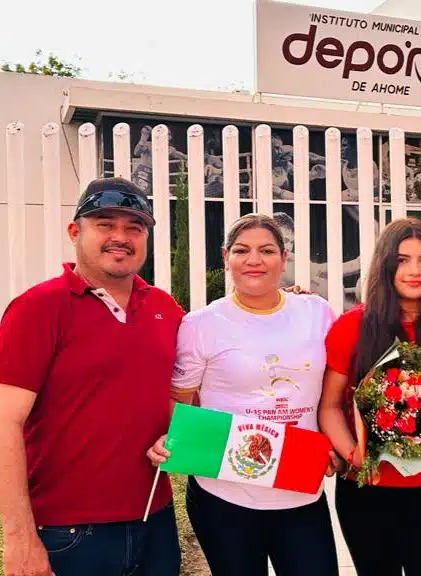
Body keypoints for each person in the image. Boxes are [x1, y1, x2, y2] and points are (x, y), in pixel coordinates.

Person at [0, 177, 184, 576]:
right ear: (75, 232)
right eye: (105, 224)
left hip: (155, 518)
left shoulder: (164, 307)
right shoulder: (38, 308)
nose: (120, 237)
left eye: (133, 227)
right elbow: (1, 423)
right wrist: (19, 537)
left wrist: (284, 307)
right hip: (69, 532)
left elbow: (189, 389)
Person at [146, 213, 341, 576]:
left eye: (267, 250)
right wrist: (172, 437)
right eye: (242, 250)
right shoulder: (201, 324)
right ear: (225, 258)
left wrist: (337, 444)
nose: (254, 260)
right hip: (224, 496)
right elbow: (180, 400)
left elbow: (334, 395)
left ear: (284, 259)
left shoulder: (317, 313)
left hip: (299, 490)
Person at [318, 217, 421, 576]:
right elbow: (329, 407)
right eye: (403, 260)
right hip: (369, 492)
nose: (415, 270)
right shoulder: (352, 326)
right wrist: (355, 456)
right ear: (385, 265)